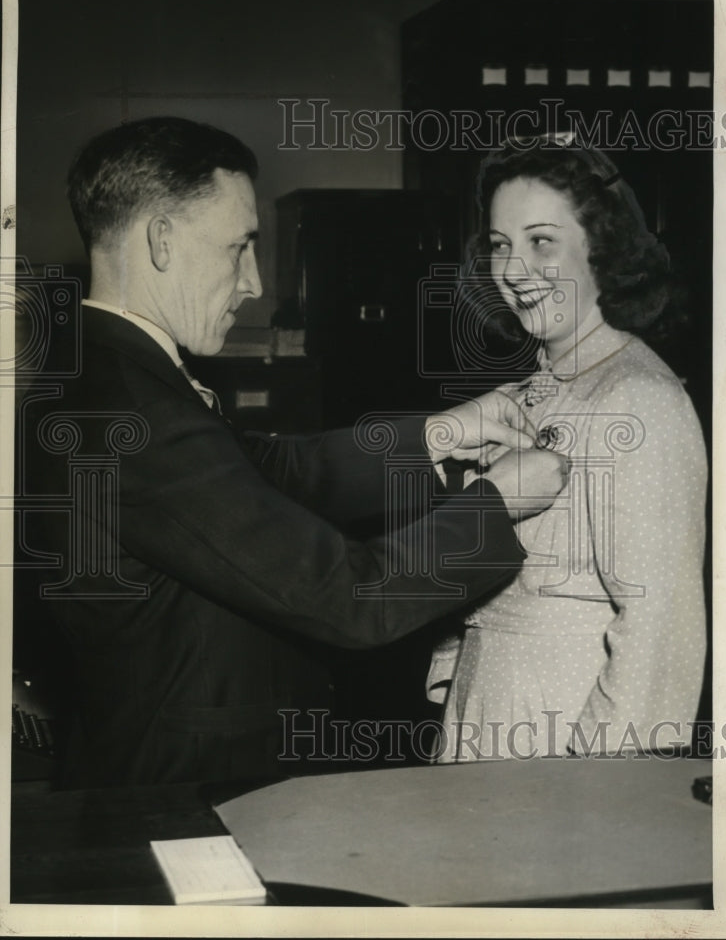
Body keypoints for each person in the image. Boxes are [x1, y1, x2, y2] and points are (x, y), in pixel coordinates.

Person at [16, 116, 568, 788]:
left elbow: (271, 471)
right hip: (187, 790)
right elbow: (345, 597)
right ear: (161, 240)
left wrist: (441, 433)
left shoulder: (99, 368)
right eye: (238, 247)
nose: (251, 282)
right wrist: (497, 501)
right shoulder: (132, 407)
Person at [427, 135, 707, 761]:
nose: (515, 270)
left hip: (565, 739)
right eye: (501, 245)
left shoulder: (640, 397)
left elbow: (661, 630)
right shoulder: (516, 395)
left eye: (541, 242)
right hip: (485, 712)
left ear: (600, 250)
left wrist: (597, 786)